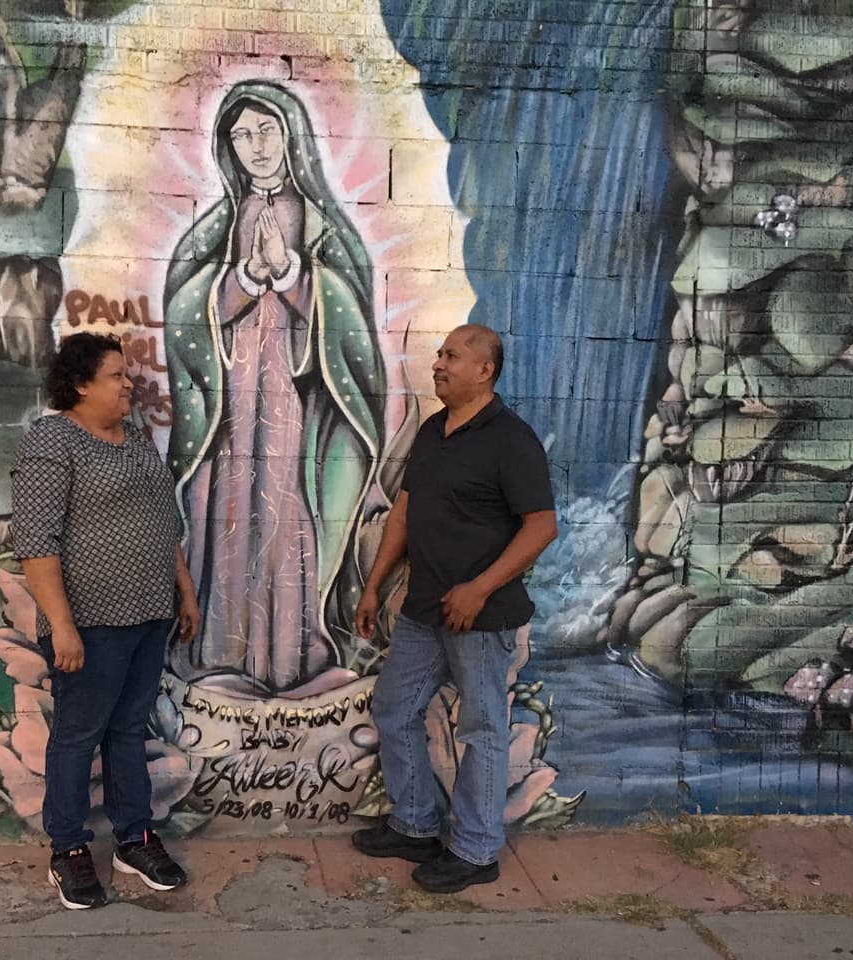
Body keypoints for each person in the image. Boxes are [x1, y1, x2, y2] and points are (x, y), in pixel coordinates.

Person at [163, 80, 385, 694]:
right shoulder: (215, 230)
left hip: (295, 409)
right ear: (227, 148)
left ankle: (291, 661)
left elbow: (352, 325)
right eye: (241, 136)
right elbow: (183, 312)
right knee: (227, 520)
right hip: (230, 411)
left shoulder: (324, 229)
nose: (255, 146)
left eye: (266, 131)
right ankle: (222, 659)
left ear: (291, 136)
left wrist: (290, 273)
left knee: (288, 520)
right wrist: (241, 276)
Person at [350, 324, 559, 893]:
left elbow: (542, 527)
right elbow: (403, 513)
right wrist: (374, 587)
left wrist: (480, 588)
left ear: (485, 371)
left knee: (483, 730)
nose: (438, 364)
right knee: (395, 709)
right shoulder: (433, 431)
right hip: (423, 610)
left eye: (452, 356)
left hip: (481, 618)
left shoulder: (511, 440)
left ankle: (475, 850)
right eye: (439, 354)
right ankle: (415, 825)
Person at [10, 332, 201, 910]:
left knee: (128, 730)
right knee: (77, 735)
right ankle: (68, 849)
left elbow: (163, 522)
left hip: (148, 616)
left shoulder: (136, 440)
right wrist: (62, 626)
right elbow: (35, 542)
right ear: (80, 385)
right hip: (91, 623)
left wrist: (184, 591)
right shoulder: (53, 442)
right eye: (116, 376)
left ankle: (134, 839)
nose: (128, 385)